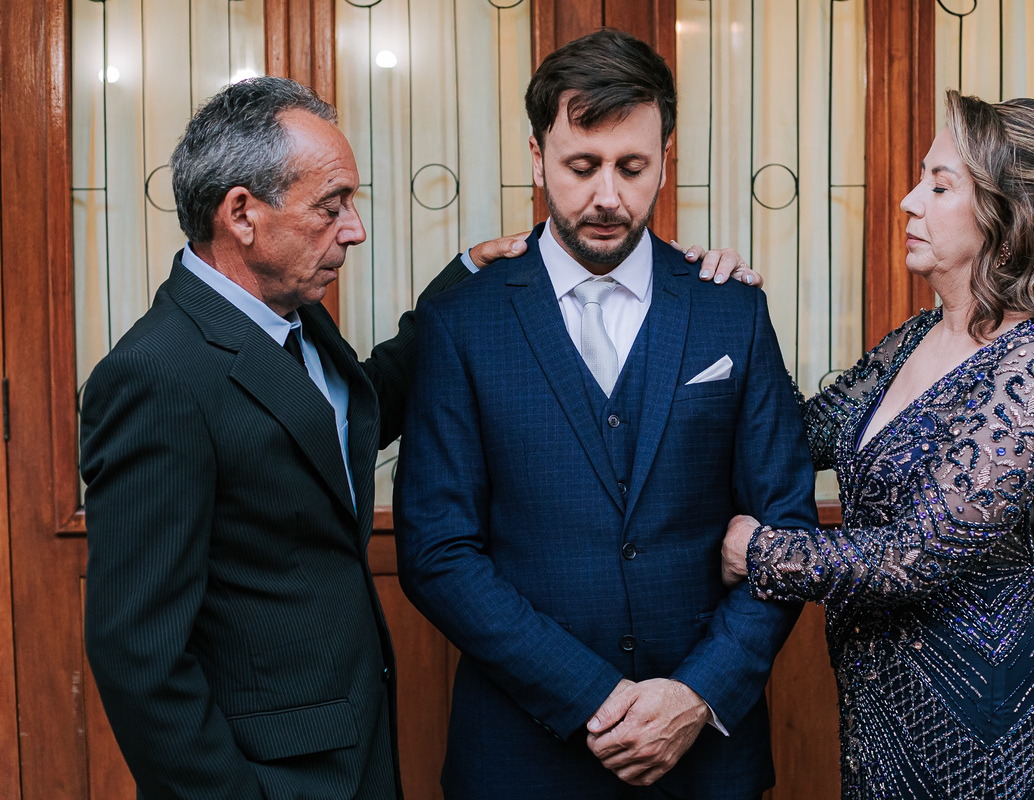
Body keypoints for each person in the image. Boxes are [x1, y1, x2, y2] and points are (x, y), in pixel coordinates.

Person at [395, 28, 819, 800]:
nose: (607, 197)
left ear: (665, 158)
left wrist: (697, 693)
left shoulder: (731, 311)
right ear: (537, 157)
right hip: (522, 761)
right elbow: (437, 550)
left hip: (705, 761)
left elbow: (786, 524)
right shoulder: (462, 323)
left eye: (632, 166)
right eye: (581, 166)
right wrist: (594, 698)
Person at [79, 76, 475, 799]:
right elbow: (139, 655)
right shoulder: (155, 377)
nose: (353, 229)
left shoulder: (295, 316)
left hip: (356, 751)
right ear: (242, 213)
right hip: (271, 778)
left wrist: (467, 282)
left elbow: (338, 430)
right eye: (332, 205)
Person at [721, 90, 1034, 799]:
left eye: (939, 186)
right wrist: (736, 309)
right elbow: (796, 434)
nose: (909, 201)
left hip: (969, 713)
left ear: (1009, 213)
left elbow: (913, 557)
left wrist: (759, 553)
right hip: (873, 694)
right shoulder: (916, 337)